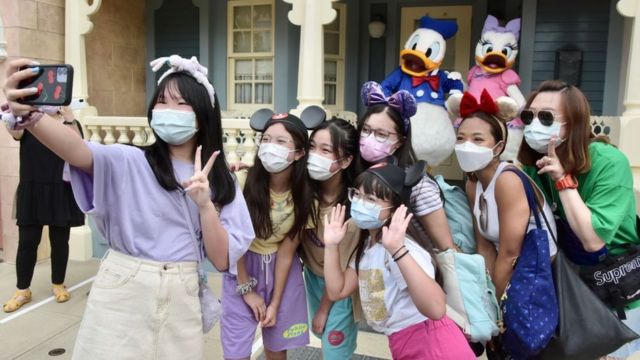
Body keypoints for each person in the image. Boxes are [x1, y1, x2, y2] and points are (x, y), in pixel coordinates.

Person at [2, 56, 255, 359]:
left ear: (203, 114)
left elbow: (223, 259)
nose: (168, 111)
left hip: (182, 292)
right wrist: (31, 116)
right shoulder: (129, 159)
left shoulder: (220, 178)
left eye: (181, 104)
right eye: (161, 101)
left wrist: (205, 206)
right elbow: (77, 150)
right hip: (122, 289)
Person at [518, 80, 640, 359]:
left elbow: (593, 239)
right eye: (529, 116)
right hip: (567, 283)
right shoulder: (533, 165)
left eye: (546, 117)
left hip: (616, 287)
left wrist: (562, 179)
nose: (535, 124)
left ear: (573, 123)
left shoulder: (610, 162)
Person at [322, 162, 475, 359]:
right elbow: (337, 290)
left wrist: (398, 250)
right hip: (404, 340)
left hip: (433, 344)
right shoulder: (369, 245)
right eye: (357, 195)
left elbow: (436, 309)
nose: (360, 203)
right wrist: (332, 246)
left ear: (395, 210)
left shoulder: (403, 247)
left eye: (371, 199)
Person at [221, 109, 320, 360]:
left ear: (299, 153)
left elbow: (288, 251)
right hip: (242, 268)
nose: (269, 146)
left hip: (282, 272)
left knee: (277, 350)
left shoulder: (307, 198)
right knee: (235, 353)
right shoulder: (241, 183)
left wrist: (275, 303)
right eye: (265, 139)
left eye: (279, 141)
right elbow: (236, 242)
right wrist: (246, 289)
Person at [455, 90, 557, 301]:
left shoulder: (507, 180)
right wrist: (486, 294)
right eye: (460, 138)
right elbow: (484, 246)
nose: (467, 146)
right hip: (505, 269)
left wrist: (495, 309)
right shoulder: (473, 185)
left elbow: (510, 254)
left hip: (533, 273)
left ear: (498, 147)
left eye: (478, 139)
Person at [356, 81, 457, 252]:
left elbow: (446, 248)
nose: (369, 138)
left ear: (400, 141)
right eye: (366, 130)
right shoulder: (363, 174)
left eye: (381, 134)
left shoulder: (418, 185)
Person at [2, 106, 84, 312]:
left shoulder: (65, 121)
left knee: (59, 241)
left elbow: (78, 143)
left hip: (60, 188)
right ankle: (22, 290)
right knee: (27, 242)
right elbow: (15, 132)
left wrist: (69, 118)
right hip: (33, 187)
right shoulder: (28, 120)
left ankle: (58, 284)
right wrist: (12, 112)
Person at [301, 118, 360, 359]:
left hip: (340, 289)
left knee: (334, 351)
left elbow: (343, 273)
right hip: (313, 278)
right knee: (325, 339)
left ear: (346, 161)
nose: (315, 155)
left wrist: (324, 310)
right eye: (312, 147)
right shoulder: (305, 192)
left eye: (325, 150)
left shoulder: (350, 211)